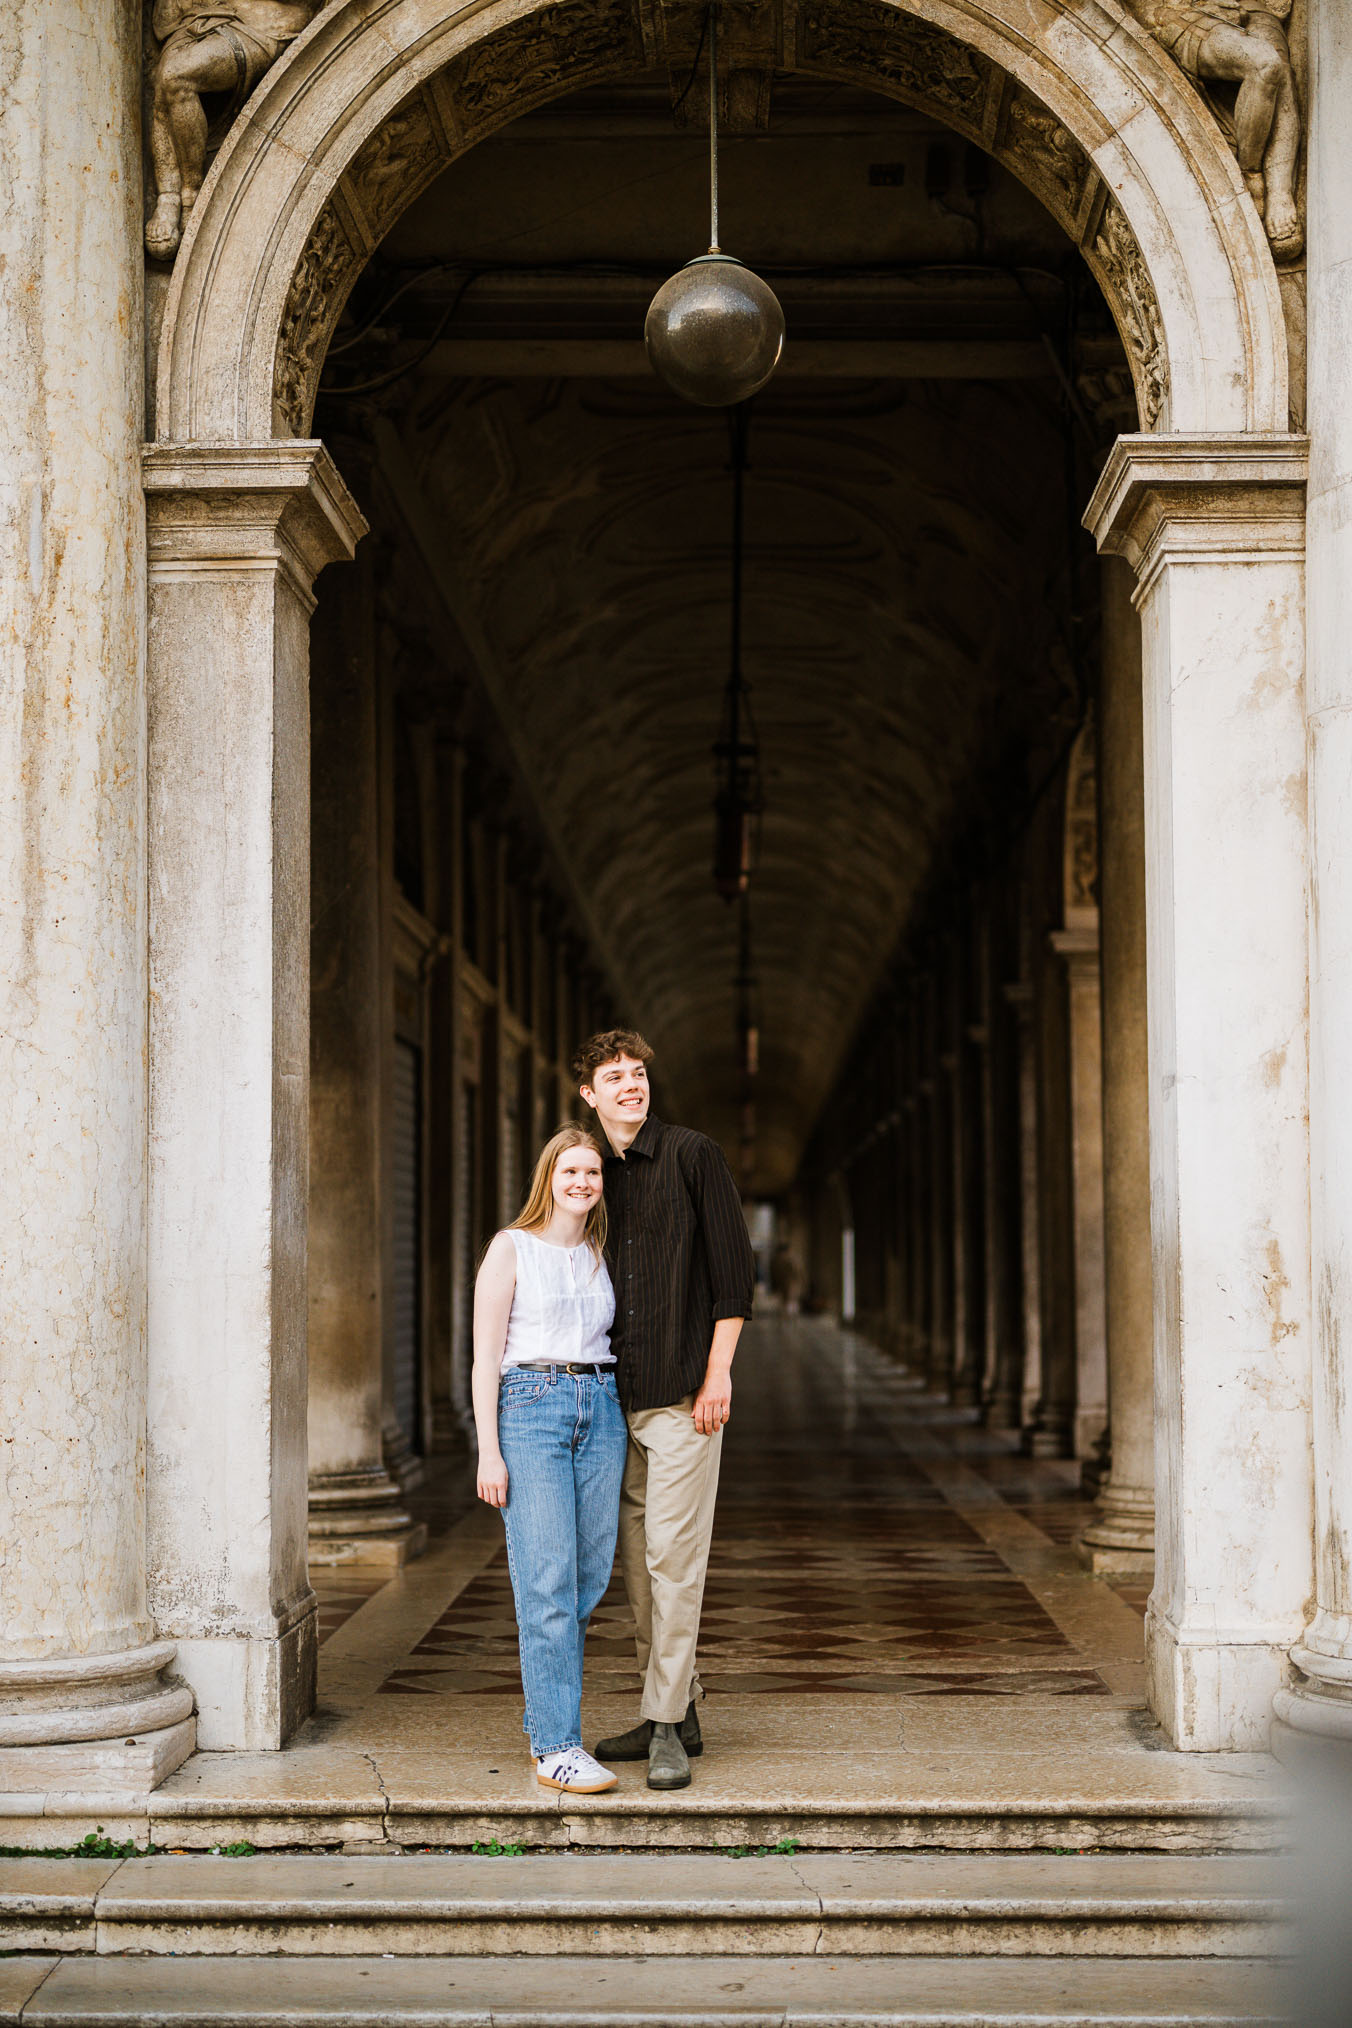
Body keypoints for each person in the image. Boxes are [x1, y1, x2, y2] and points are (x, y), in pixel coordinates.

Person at [575, 1029, 756, 1792]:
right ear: (588, 1094)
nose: (630, 1085)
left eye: (638, 1073)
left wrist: (718, 1376)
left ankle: (665, 1728)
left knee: (675, 1567)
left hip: (684, 1400)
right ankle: (674, 1712)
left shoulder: (692, 1155)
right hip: (614, 1404)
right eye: (614, 1076)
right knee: (640, 1572)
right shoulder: (584, 1173)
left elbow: (733, 1277)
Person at [472, 1124, 628, 1796]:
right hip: (530, 1407)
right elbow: (484, 1358)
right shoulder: (511, 1248)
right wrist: (489, 1450)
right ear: (549, 1178)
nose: (582, 1183)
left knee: (587, 1578)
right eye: (571, 1172)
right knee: (547, 1581)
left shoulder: (601, 1251)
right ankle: (556, 1744)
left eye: (592, 1173)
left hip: (602, 1404)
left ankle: (557, 1724)